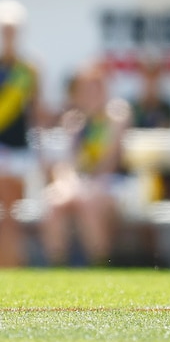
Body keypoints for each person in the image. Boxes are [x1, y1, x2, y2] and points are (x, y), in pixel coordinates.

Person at [40, 63, 130, 266]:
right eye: (86, 88)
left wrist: (81, 185)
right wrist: (71, 184)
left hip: (112, 183)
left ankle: (100, 266)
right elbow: (66, 165)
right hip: (81, 185)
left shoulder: (115, 117)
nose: (91, 93)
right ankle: (57, 268)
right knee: (54, 202)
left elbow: (109, 162)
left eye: (95, 87)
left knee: (88, 203)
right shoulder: (73, 121)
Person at [0, 0, 46, 266]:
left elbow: (36, 113)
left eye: (12, 30)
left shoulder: (29, 69)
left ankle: (11, 269)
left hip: (18, 152)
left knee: (11, 214)